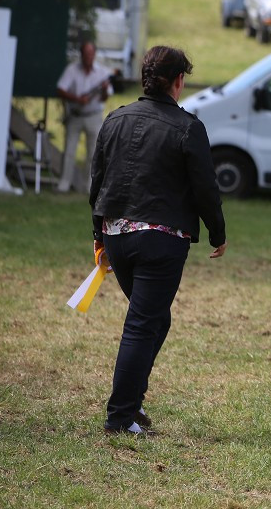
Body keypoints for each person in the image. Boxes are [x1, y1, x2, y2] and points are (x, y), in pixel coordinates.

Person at [90, 46, 227, 435]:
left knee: (155, 320)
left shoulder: (114, 119)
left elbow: (97, 182)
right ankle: (120, 417)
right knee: (142, 324)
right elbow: (206, 187)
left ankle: (131, 405)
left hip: (117, 236)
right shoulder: (188, 127)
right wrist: (218, 233)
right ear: (179, 81)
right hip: (160, 242)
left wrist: (98, 234)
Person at [56, 41, 114, 193]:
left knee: (93, 152)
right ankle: (64, 183)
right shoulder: (72, 70)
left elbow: (104, 98)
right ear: (81, 54)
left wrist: (104, 90)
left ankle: (89, 186)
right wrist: (77, 99)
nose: (88, 56)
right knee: (69, 150)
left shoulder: (102, 73)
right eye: (85, 54)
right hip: (75, 114)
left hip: (94, 115)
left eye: (91, 54)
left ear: (94, 55)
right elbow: (61, 89)